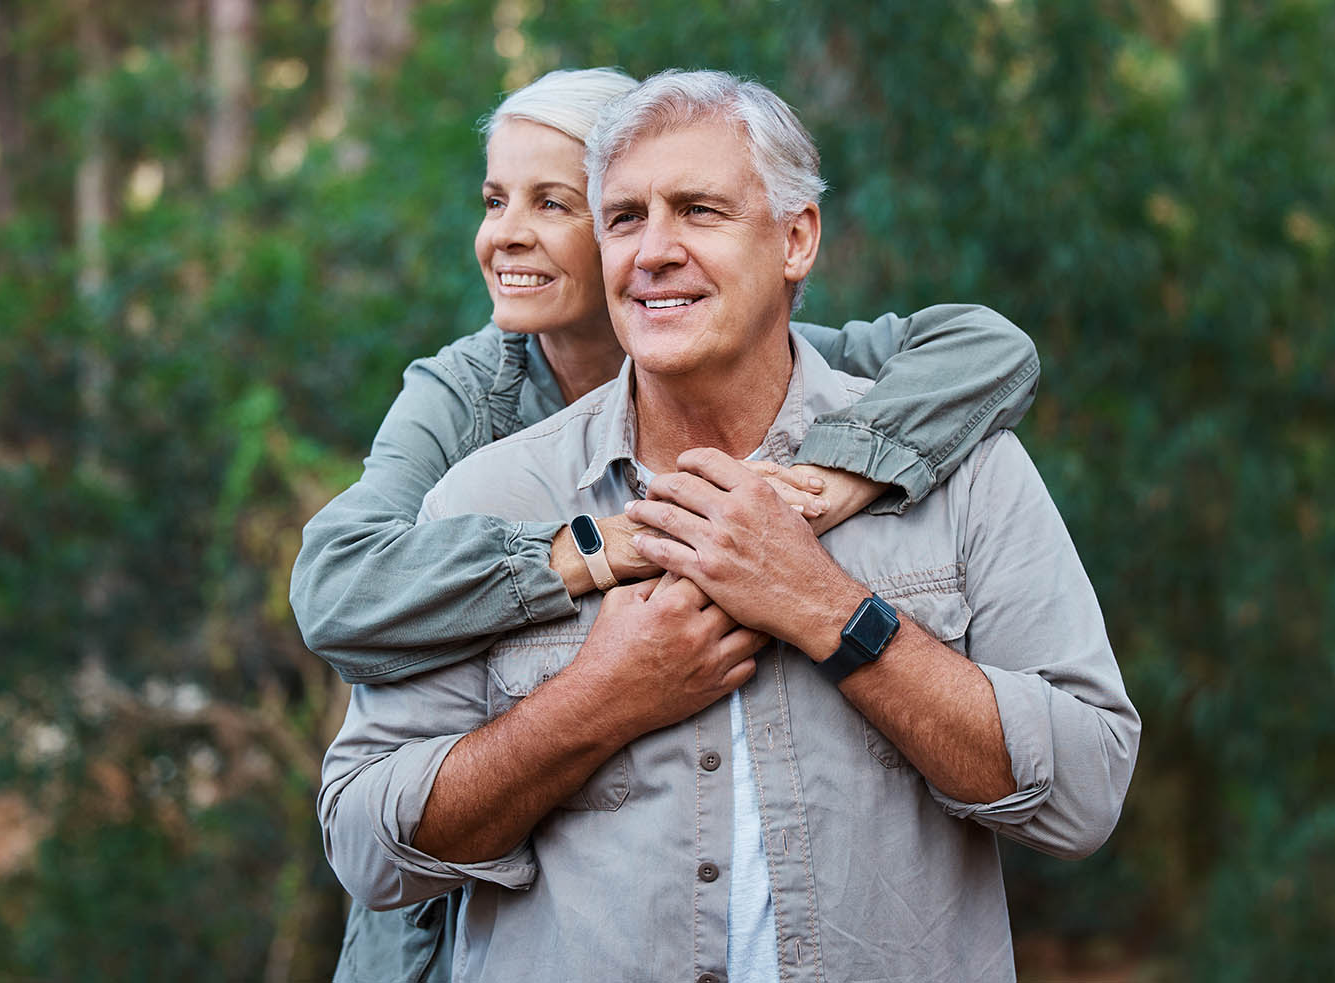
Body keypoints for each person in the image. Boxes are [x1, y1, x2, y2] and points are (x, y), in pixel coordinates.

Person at [317, 69, 1140, 981]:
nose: (654, 249)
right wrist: (597, 698)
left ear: (796, 239)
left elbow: (1085, 793)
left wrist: (830, 610)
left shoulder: (962, 467)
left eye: (699, 210)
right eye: (624, 217)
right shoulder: (482, 482)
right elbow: (365, 844)